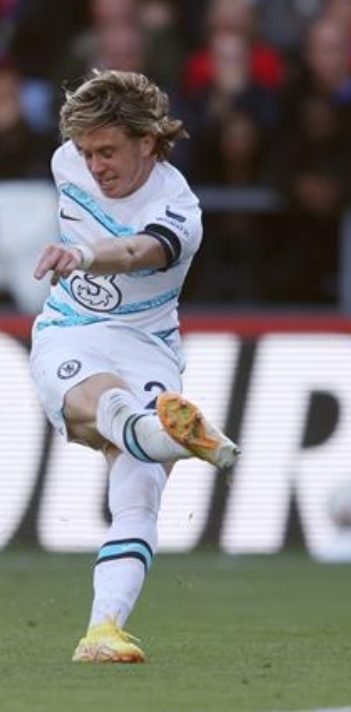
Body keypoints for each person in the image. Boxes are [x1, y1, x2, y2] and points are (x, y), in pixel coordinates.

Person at [29, 69, 240, 663]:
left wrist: (81, 254)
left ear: (147, 141)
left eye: (107, 151)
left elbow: (133, 251)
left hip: (148, 345)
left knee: (139, 495)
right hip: (72, 331)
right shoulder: (66, 163)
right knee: (110, 404)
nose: (94, 165)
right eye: (85, 152)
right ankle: (169, 435)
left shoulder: (179, 208)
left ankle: (103, 631)